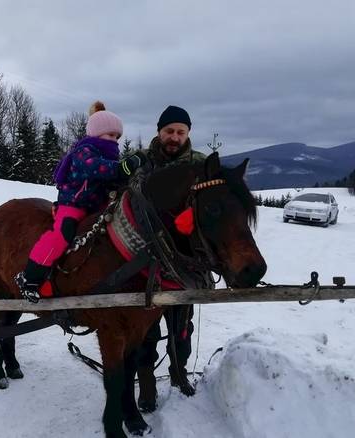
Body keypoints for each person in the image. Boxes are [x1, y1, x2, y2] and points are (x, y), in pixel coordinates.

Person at [15, 101, 147, 302]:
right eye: (110, 135)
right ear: (96, 133)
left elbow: (115, 177)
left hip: (97, 204)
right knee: (63, 233)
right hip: (74, 204)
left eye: (117, 136)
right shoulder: (84, 151)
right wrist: (121, 168)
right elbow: (95, 168)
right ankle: (31, 277)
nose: (114, 140)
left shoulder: (111, 156)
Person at [136, 105, 208, 412]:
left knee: (181, 325)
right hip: (143, 260)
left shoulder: (202, 165)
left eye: (180, 132)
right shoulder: (142, 161)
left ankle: (179, 375)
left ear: (188, 133)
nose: (174, 137)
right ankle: (147, 386)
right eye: (169, 131)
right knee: (145, 330)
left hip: (184, 262)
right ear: (159, 132)